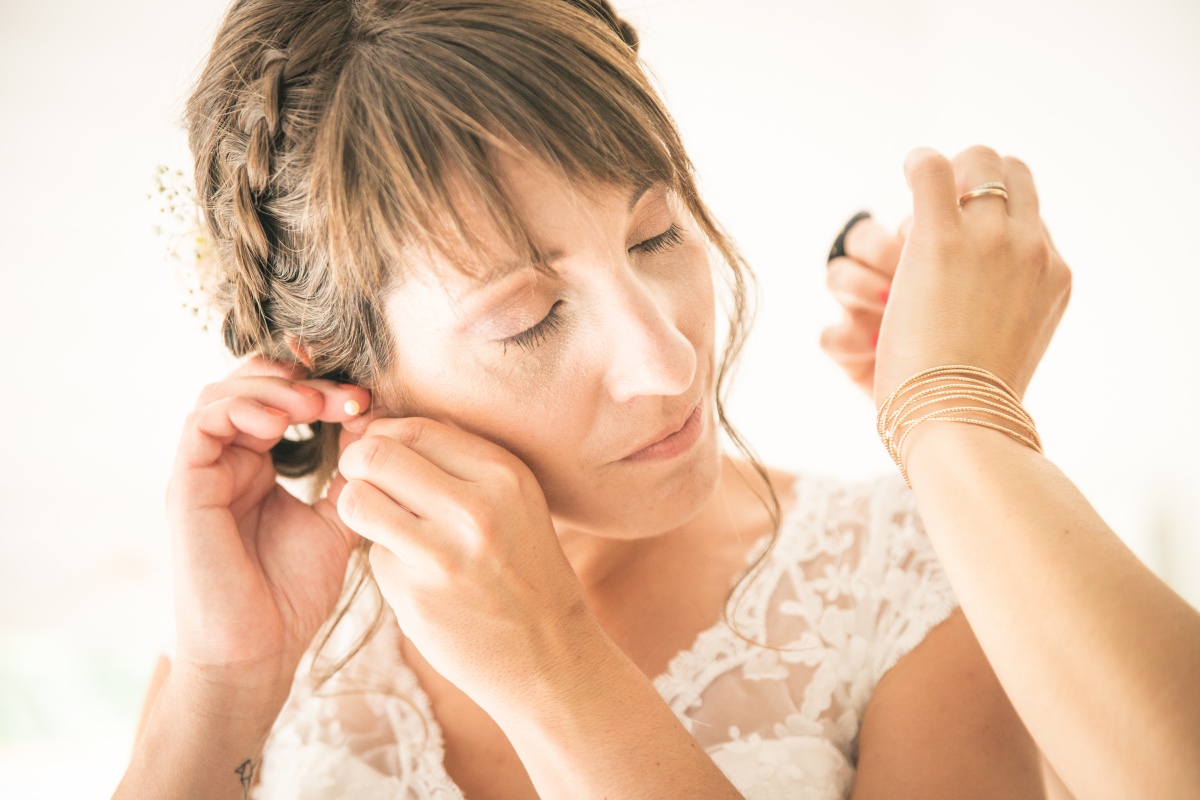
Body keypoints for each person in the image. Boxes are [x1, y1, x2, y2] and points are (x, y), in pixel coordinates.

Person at [110, 1, 1197, 799]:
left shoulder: (901, 575)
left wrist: (558, 669)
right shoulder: (271, 608)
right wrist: (225, 685)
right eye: (529, 317)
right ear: (336, 371)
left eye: (657, 235)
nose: (669, 360)